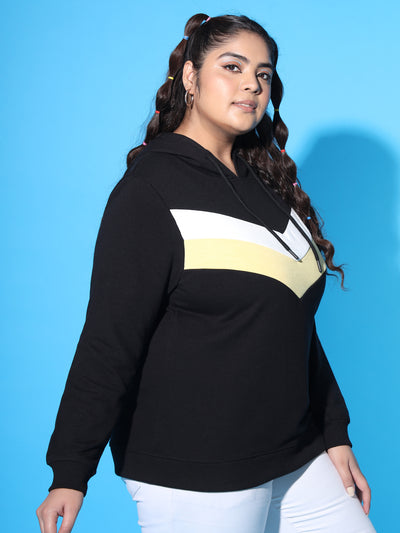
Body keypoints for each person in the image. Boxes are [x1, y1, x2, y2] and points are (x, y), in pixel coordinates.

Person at [36, 13, 377, 533]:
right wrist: (70, 471)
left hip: (293, 452)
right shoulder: (150, 191)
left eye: (263, 74)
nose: (251, 84)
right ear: (191, 78)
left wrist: (335, 433)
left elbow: (291, 324)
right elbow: (109, 341)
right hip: (198, 467)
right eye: (232, 67)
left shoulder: (268, 189)